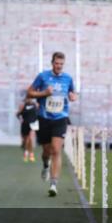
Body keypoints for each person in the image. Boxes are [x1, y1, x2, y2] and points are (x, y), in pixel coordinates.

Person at [28, 52, 78, 197]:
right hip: (44, 118)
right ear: (52, 63)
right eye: (57, 63)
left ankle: (54, 184)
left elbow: (72, 92)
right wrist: (44, 93)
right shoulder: (42, 76)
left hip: (60, 118)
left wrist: (73, 96)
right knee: (47, 151)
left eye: (61, 64)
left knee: (56, 149)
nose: (59, 66)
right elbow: (30, 92)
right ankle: (45, 165)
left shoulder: (68, 78)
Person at [16, 91, 39, 163]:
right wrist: (20, 119)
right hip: (25, 123)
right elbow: (18, 114)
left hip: (33, 124)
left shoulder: (36, 105)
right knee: (25, 140)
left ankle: (31, 154)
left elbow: (39, 114)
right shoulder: (22, 106)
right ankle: (26, 152)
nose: (29, 99)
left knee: (30, 138)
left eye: (30, 98)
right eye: (27, 98)